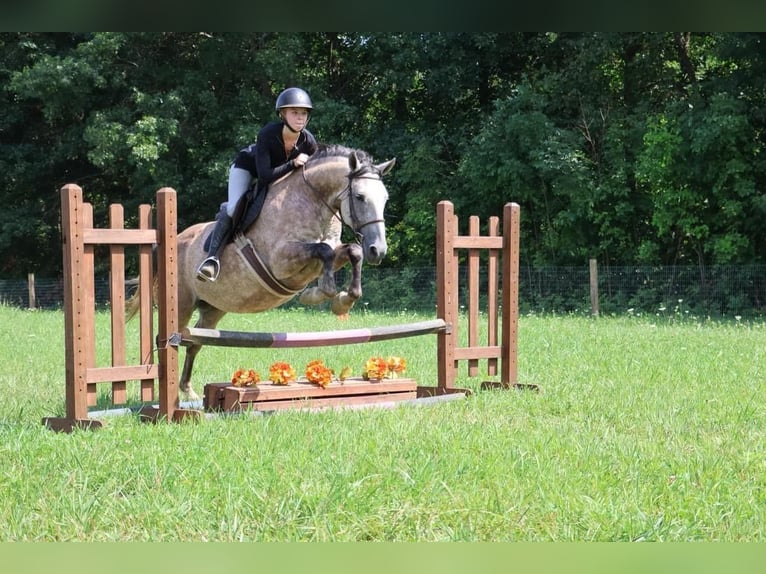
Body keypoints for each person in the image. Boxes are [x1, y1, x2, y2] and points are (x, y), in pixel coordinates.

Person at [196, 87, 319, 282]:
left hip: (279, 176)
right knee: (233, 208)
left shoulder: (308, 141)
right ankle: (212, 259)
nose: (300, 117)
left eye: (304, 113)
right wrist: (293, 163)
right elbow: (264, 175)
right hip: (248, 168)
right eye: (294, 112)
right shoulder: (268, 134)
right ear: (282, 114)